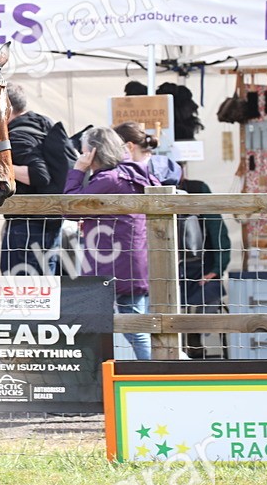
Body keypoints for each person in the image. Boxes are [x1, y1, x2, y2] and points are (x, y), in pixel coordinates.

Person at [64, 127, 160, 359]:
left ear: (92, 151)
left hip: (110, 266)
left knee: (130, 331)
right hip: (134, 263)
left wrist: (77, 171)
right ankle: (161, 374)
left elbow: (70, 208)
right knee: (138, 327)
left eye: (83, 150)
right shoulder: (134, 173)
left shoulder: (108, 179)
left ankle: (155, 376)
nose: (81, 153)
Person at [0, 85, 77, 275]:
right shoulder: (42, 122)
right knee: (44, 286)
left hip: (27, 225)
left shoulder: (19, 135)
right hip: (49, 219)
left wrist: (0, 167)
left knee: (21, 286)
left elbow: (39, 175)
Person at [177, 164, 232, 358]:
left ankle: (195, 332)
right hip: (169, 268)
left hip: (201, 265)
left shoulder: (197, 188)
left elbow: (218, 231)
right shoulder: (147, 189)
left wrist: (217, 268)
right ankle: (171, 344)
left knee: (212, 291)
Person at [114, 120, 181, 186]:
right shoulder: (168, 166)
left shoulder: (128, 174)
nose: (114, 153)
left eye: (116, 148)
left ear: (129, 146)